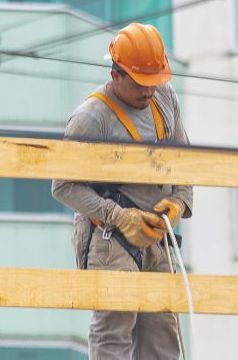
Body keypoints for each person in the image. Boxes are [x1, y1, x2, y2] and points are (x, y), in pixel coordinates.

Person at [52, 22, 193, 360]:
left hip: (157, 238)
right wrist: (117, 216)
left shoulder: (164, 98)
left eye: (154, 82)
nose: (148, 92)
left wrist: (178, 203)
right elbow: (63, 185)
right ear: (116, 75)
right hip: (110, 240)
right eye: (141, 83)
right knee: (113, 333)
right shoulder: (91, 117)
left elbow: (185, 159)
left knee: (162, 335)